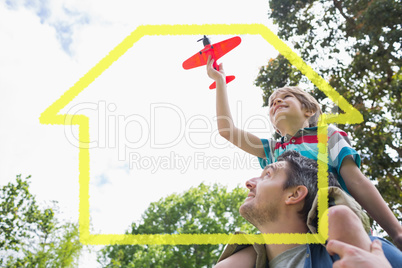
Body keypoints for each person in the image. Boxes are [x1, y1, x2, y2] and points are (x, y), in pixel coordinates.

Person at [206, 56, 402, 250]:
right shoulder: (274, 150)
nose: (277, 102)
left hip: (333, 219)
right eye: (272, 103)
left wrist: (396, 232)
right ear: (273, 123)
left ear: (308, 110)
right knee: (241, 252)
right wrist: (220, 81)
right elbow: (227, 131)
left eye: (285, 97)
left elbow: (356, 181)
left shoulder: (327, 135)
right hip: (289, 230)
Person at [214, 151, 402, 268]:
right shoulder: (239, 262)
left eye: (267, 175)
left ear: (294, 195)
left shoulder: (368, 251)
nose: (249, 182)